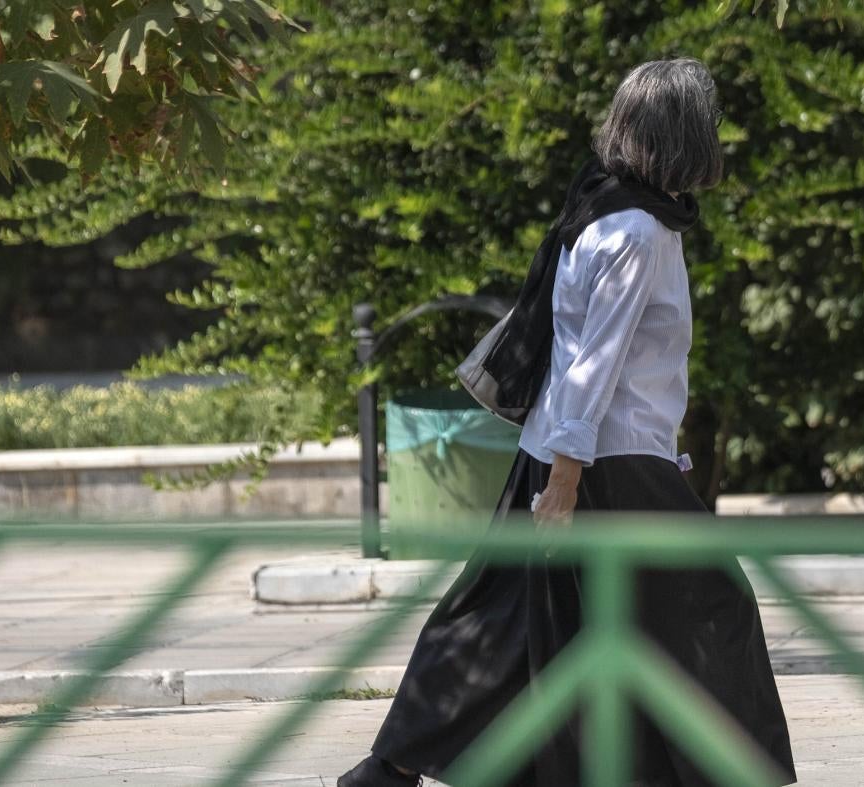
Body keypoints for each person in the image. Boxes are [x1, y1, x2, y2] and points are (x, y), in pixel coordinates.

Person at [339, 57, 796, 787]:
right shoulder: (636, 232)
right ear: (681, 137)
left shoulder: (612, 210)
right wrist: (567, 480)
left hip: (589, 456)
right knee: (713, 608)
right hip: (600, 465)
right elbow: (594, 361)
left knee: (506, 620)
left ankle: (387, 771)